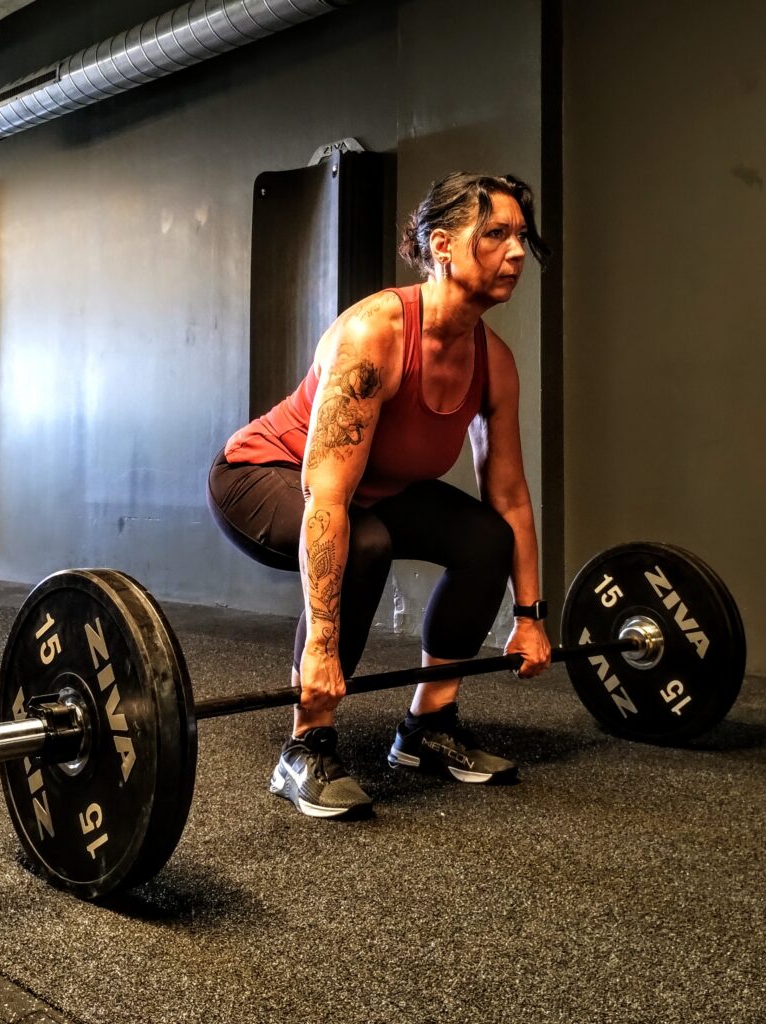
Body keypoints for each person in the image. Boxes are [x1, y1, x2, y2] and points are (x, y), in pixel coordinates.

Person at [208, 171, 553, 819]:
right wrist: (321, 647)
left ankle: (428, 726)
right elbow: (327, 498)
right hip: (265, 474)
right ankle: (306, 743)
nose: (515, 252)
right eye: (495, 235)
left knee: (486, 538)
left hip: (370, 488)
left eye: (520, 237)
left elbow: (509, 498)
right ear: (443, 245)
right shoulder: (375, 335)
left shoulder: (494, 362)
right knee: (366, 542)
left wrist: (529, 616)